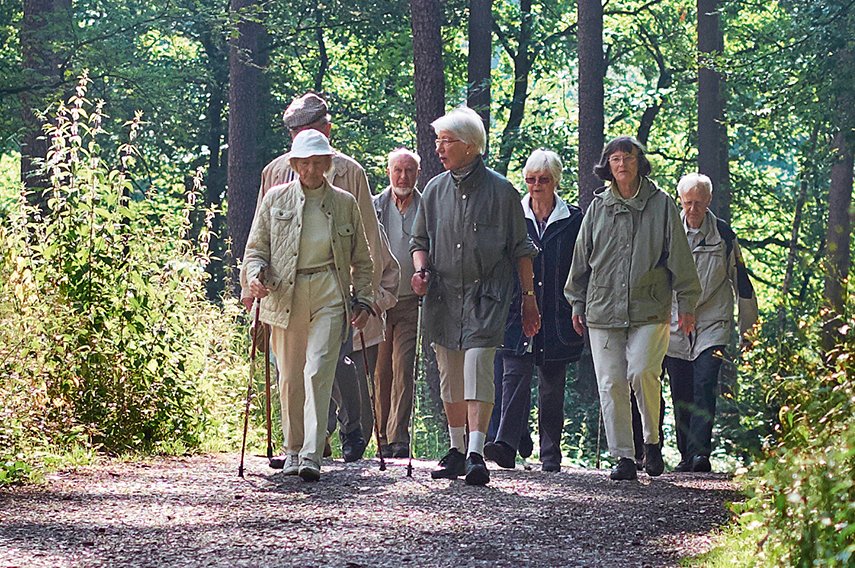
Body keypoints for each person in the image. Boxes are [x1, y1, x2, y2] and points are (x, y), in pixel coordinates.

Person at [241, 92, 386, 464]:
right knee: (289, 374)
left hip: (331, 288)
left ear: (327, 134)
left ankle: (317, 448)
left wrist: (372, 295)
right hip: (284, 291)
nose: (309, 168)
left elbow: (366, 237)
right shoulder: (274, 180)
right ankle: (298, 447)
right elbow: (258, 243)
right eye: (298, 142)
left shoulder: (349, 178)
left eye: (317, 159)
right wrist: (251, 284)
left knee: (323, 366)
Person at [410, 106, 540, 486]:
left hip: (488, 297)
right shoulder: (433, 190)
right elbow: (420, 241)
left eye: (446, 141)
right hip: (444, 297)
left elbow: (521, 249)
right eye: (438, 141)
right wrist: (421, 269)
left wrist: (529, 299)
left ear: (470, 146)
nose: (439, 148)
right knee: (450, 374)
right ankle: (455, 449)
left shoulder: (502, 191)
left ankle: (476, 452)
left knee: (478, 367)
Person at [565, 136, 701, 481]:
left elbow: (681, 261)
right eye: (615, 159)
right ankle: (624, 456)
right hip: (602, 306)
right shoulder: (599, 207)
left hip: (649, 306)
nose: (622, 164)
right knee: (610, 381)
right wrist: (576, 302)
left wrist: (687, 304)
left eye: (628, 157)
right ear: (607, 166)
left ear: (640, 162)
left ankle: (652, 442)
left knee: (641, 372)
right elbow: (581, 260)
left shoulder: (662, 205)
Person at [484, 149, 584, 472]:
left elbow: (581, 266)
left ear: (555, 181)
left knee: (552, 385)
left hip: (557, 314)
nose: (536, 185)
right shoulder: (514, 215)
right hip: (516, 311)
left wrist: (579, 304)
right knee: (513, 377)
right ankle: (506, 445)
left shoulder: (573, 220)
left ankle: (550, 454)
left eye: (543, 180)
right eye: (530, 179)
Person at [665, 173, 758, 473]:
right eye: (688, 203)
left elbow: (742, 282)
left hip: (712, 320)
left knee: (704, 382)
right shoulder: (668, 231)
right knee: (680, 388)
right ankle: (684, 453)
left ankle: (700, 454)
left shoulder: (723, 234)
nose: (693, 210)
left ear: (709, 201)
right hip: (675, 321)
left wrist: (749, 331)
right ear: (680, 201)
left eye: (699, 203)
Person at [373, 148, 422, 458]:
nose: (403, 177)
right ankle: (381, 436)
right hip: (380, 299)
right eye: (398, 171)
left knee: (404, 367)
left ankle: (398, 437)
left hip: (409, 301)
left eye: (409, 171)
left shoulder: (426, 206)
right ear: (389, 172)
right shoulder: (375, 206)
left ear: (417, 174)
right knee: (380, 371)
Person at [348, 224, 400, 447]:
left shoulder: (372, 228)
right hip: (323, 320)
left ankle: (357, 439)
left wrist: (373, 305)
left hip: (364, 327)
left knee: (360, 385)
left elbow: (392, 275)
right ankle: (319, 437)